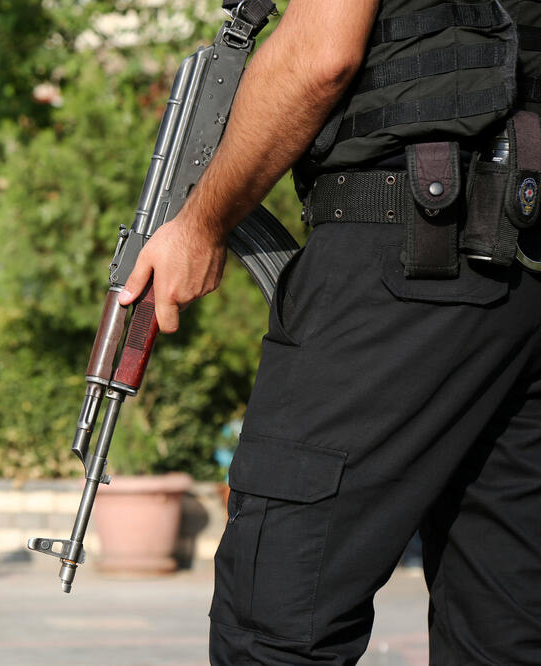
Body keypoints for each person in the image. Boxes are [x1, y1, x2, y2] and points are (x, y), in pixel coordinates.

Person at [119, 0, 541, 663]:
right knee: (504, 623)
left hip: (406, 249)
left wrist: (201, 223)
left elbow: (321, 52)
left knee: (276, 617)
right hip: (522, 260)